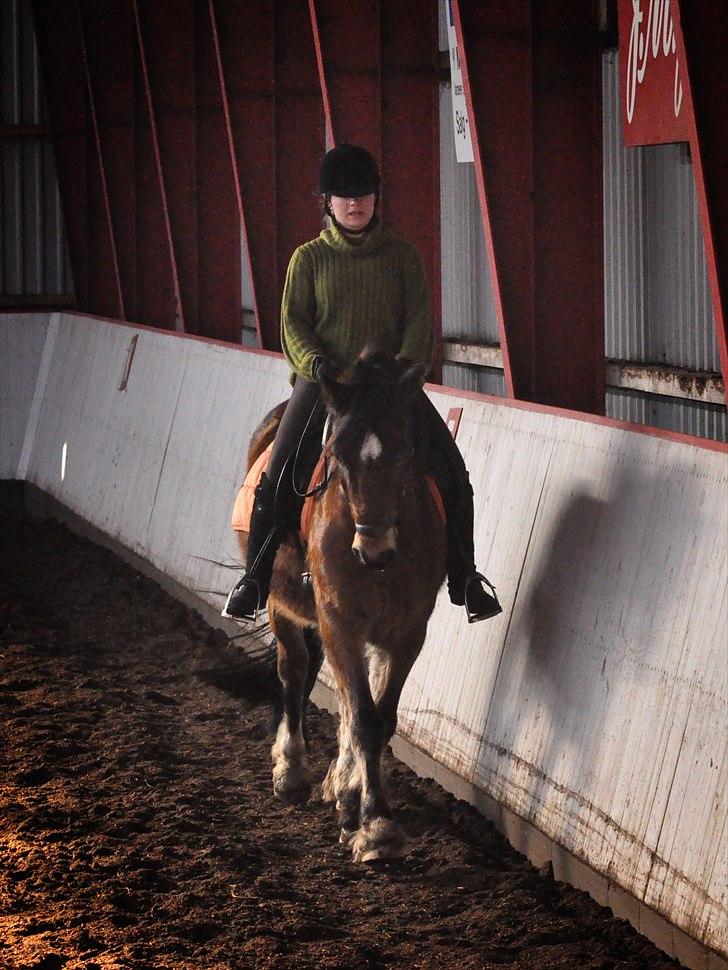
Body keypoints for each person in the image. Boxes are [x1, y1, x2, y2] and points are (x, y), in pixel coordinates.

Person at [222, 143, 501, 624]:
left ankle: (467, 579)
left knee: (454, 474)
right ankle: (254, 578)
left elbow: (417, 320)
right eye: (344, 196)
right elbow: (293, 325)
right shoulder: (307, 260)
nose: (355, 204)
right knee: (277, 473)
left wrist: (407, 369)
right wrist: (315, 362)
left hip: (389, 388)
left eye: (365, 195)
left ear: (376, 199)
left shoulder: (403, 258)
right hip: (327, 384)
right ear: (327, 202)